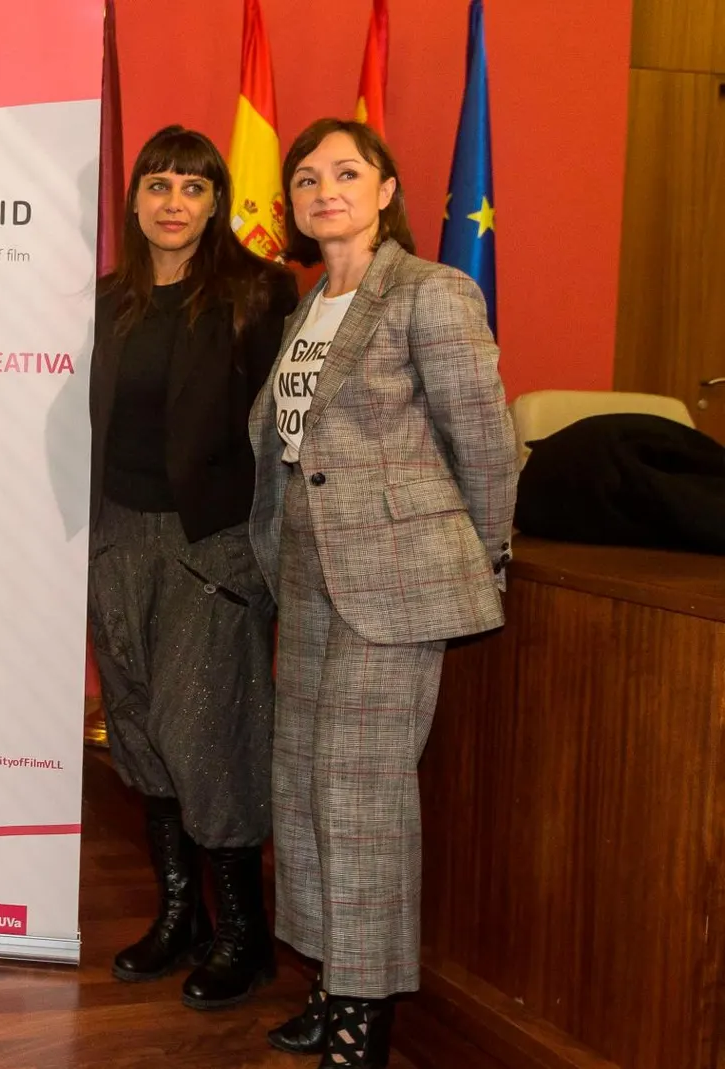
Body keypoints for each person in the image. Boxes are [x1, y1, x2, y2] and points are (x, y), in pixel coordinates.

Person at [250, 119, 517, 1068]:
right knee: (306, 787)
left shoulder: (432, 293)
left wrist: (480, 560)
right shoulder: (309, 304)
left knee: (361, 797)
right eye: (308, 177)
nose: (325, 189)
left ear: (388, 186)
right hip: (311, 579)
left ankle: (364, 1017)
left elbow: (485, 443)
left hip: (395, 586)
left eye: (347, 172)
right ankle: (330, 980)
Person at [87, 125, 296, 1010]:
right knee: (138, 730)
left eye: (193, 187)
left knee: (210, 735)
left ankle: (245, 934)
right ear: (134, 201)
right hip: (116, 539)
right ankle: (183, 916)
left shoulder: (258, 295)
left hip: (209, 546)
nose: (173, 201)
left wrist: (253, 555)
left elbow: (281, 437)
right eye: (158, 185)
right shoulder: (106, 299)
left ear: (217, 204)